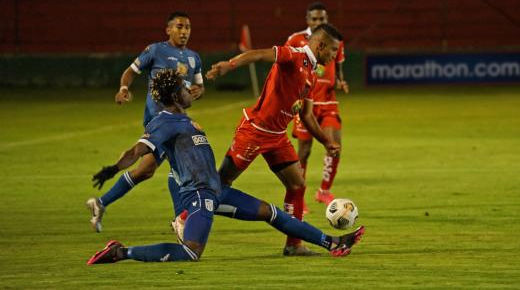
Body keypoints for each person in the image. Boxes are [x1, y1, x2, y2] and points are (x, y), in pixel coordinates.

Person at [87, 69, 365, 264]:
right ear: (174, 96)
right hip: (199, 195)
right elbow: (139, 150)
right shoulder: (163, 121)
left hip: (215, 191)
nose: (189, 91)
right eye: (184, 88)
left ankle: (333, 243)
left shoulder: (185, 120)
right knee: (191, 253)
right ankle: (122, 253)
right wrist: (113, 168)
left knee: (270, 212)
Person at [205, 24, 343, 256]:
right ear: (320, 45)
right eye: (333, 50)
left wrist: (326, 142)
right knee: (220, 185)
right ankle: (185, 217)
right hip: (254, 131)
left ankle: (293, 244)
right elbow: (258, 54)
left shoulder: (311, 72)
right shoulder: (293, 55)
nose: (334, 55)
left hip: (277, 137)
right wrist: (228, 66)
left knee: (297, 185)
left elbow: (306, 115)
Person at [86, 11, 204, 232]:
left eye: (187, 27)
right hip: (160, 121)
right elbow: (130, 72)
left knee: (146, 170)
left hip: (178, 119)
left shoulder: (194, 58)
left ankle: (100, 203)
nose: (184, 31)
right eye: (179, 27)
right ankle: (181, 220)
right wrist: (123, 89)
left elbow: (199, 87)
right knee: (179, 167)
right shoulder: (156, 50)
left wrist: (198, 91)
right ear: (168, 29)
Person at [286, 2, 348, 206]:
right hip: (305, 102)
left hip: (328, 100)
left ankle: (324, 191)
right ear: (307, 20)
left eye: (322, 18)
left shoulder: (335, 40)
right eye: (314, 19)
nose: (318, 22)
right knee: (304, 152)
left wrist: (340, 80)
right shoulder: (295, 39)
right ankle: (299, 198)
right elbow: (285, 65)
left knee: (334, 145)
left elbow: (337, 65)